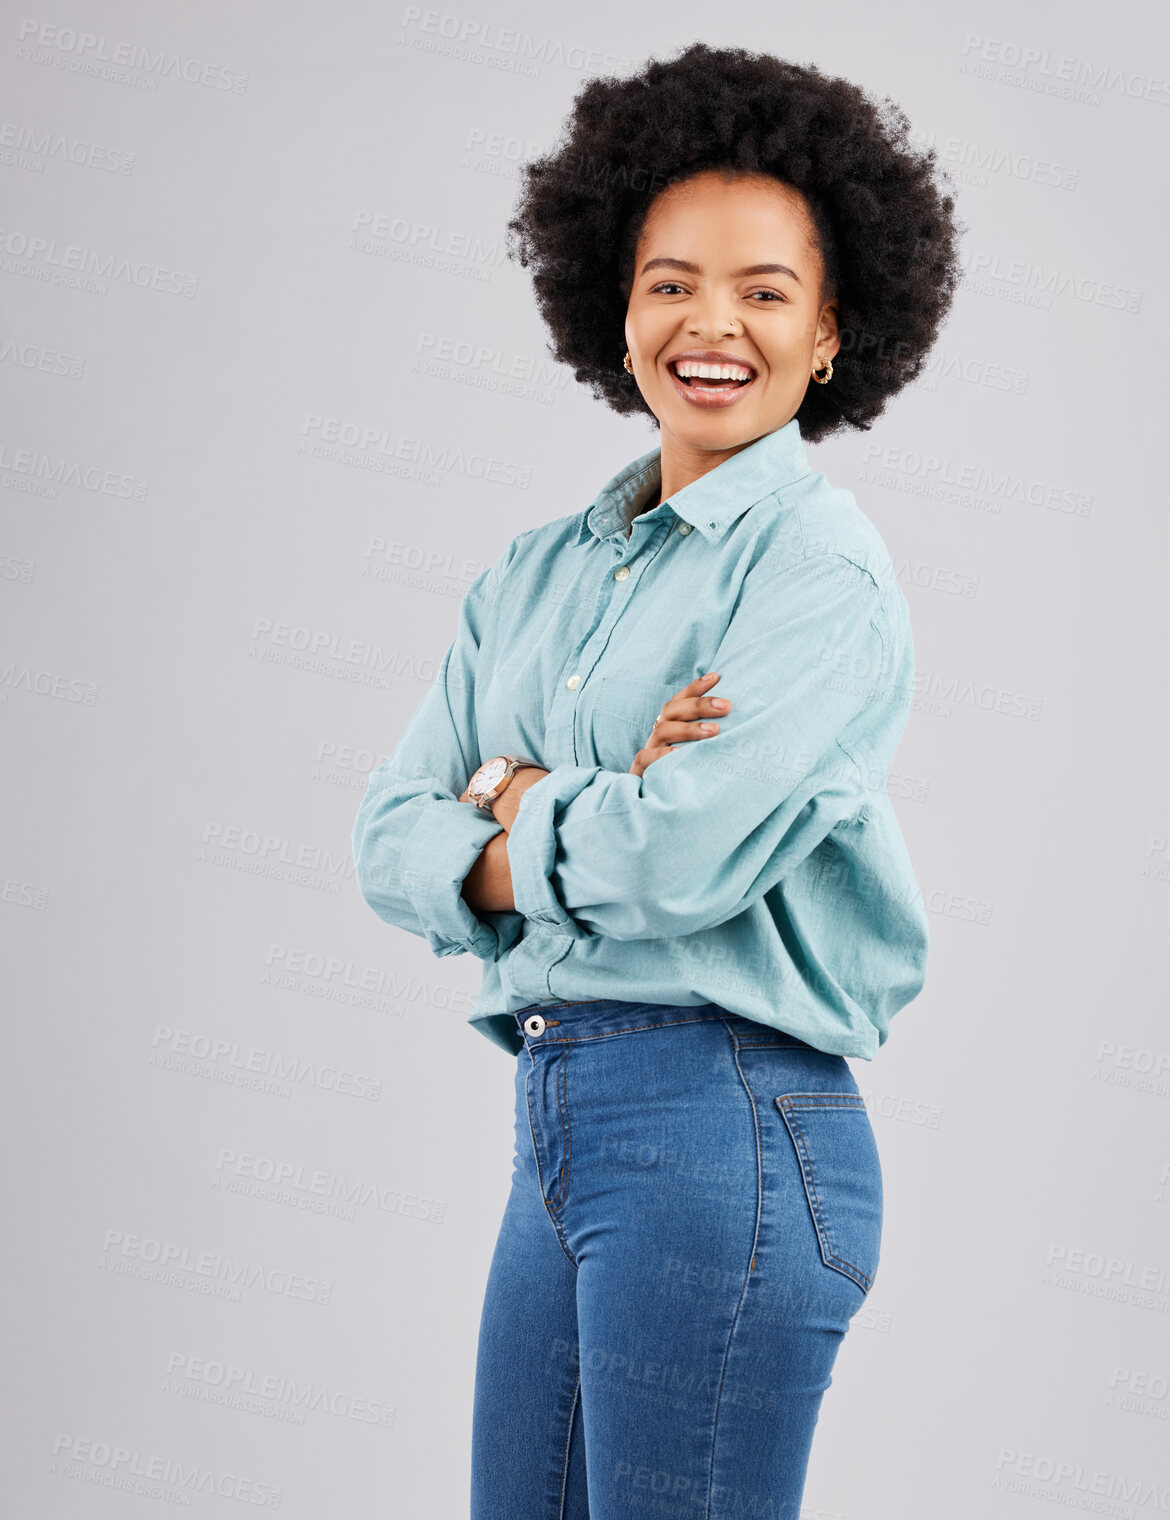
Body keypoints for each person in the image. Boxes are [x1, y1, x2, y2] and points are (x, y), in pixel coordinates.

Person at [351, 40, 963, 1519]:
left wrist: (502, 798)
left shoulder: (816, 569)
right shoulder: (533, 575)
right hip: (557, 1118)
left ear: (832, 334)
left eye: (766, 292)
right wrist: (586, 798)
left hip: (730, 1126)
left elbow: (678, 861)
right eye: (673, 281)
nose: (713, 325)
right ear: (613, 306)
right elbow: (382, 839)